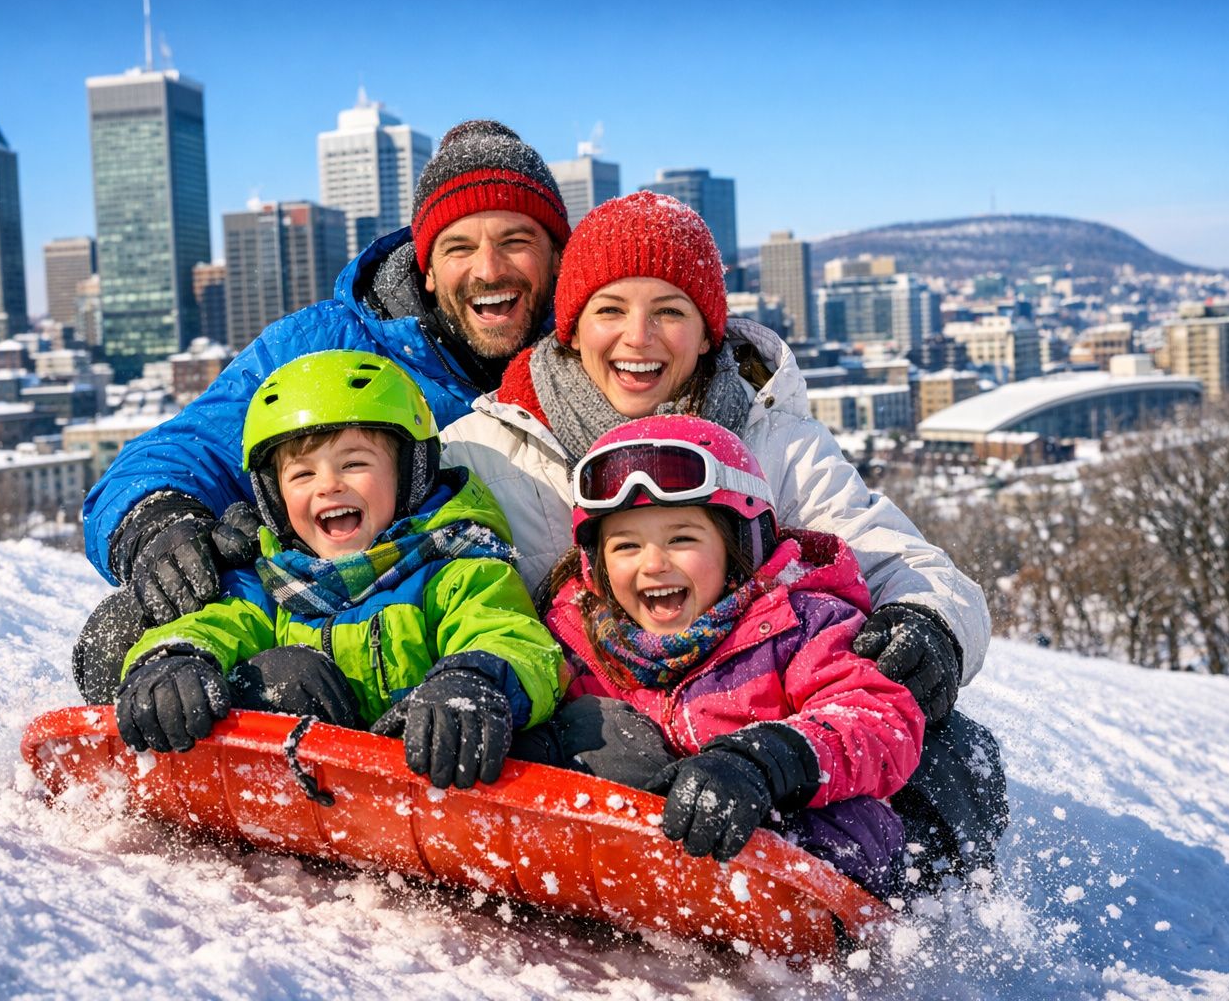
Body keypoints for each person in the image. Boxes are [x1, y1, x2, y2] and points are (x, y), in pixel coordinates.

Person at [441, 191, 1007, 884]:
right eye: (610, 311)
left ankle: (889, 911)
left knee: (944, 748)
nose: (638, 338)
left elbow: (897, 558)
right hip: (594, 718)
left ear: (710, 332)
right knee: (610, 739)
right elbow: (390, 534)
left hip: (758, 715)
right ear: (571, 329)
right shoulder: (490, 450)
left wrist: (929, 622)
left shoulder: (775, 441)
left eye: (670, 312)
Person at [72, 119, 572, 701]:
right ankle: (225, 740)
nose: (489, 269)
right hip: (335, 629)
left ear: (557, 257)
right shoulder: (325, 348)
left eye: (516, 241)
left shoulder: (601, 351)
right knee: (131, 634)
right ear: (427, 269)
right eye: (459, 246)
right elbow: (189, 449)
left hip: (517, 642)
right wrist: (162, 525)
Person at [110, 350, 563, 792]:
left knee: (544, 738)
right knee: (286, 673)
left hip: (424, 774)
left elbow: (508, 633)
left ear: (409, 473)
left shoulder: (455, 570)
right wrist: (175, 660)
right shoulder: (271, 581)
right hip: (303, 789)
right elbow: (216, 623)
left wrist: (473, 681)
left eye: (354, 464)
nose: (328, 485)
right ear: (274, 498)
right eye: (302, 475)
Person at [525, 415, 923, 894]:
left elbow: (878, 718)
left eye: (682, 539)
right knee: (599, 724)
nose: (653, 564)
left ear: (741, 545)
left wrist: (768, 761)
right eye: (626, 545)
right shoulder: (582, 638)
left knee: (856, 813)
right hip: (647, 856)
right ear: (598, 566)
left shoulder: (800, 625)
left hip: (789, 849)